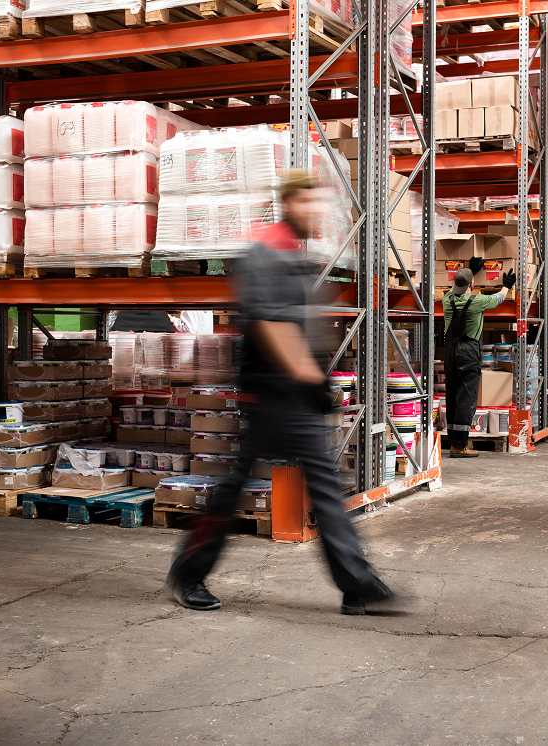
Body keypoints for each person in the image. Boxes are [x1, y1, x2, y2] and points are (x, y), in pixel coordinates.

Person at [167, 170, 395, 616]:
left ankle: (357, 584)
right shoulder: (266, 251)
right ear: (289, 203)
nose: (317, 212)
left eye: (320, 204)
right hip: (271, 394)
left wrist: (316, 380)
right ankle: (188, 572)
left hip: (296, 392)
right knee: (235, 488)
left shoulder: (292, 255)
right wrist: (312, 379)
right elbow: (272, 326)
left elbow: (300, 327)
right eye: (309, 202)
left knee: (325, 486)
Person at [442, 262, 515, 457]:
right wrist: (507, 285)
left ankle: (453, 442)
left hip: (449, 351)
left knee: (452, 395)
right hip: (468, 351)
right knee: (466, 396)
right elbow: (499, 298)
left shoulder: (446, 299)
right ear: (472, 284)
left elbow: (457, 287)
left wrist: (470, 273)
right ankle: (459, 446)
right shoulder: (477, 301)